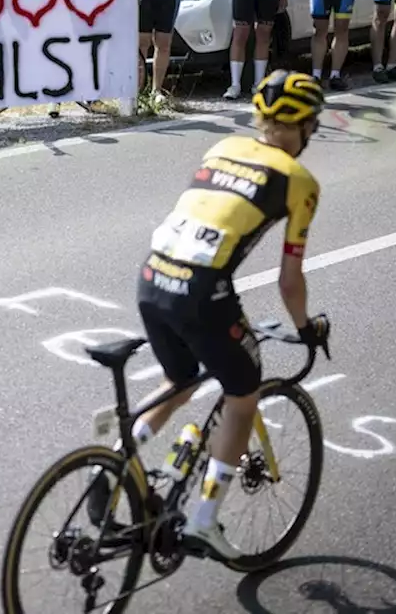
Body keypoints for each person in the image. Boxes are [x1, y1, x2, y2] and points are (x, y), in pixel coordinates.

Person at [111, 70, 330, 561]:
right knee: (243, 393)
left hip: (153, 277)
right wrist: (305, 328)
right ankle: (205, 520)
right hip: (201, 288)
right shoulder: (301, 182)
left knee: (182, 380)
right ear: (304, 125)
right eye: (313, 124)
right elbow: (289, 282)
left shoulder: (222, 148)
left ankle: (119, 462)